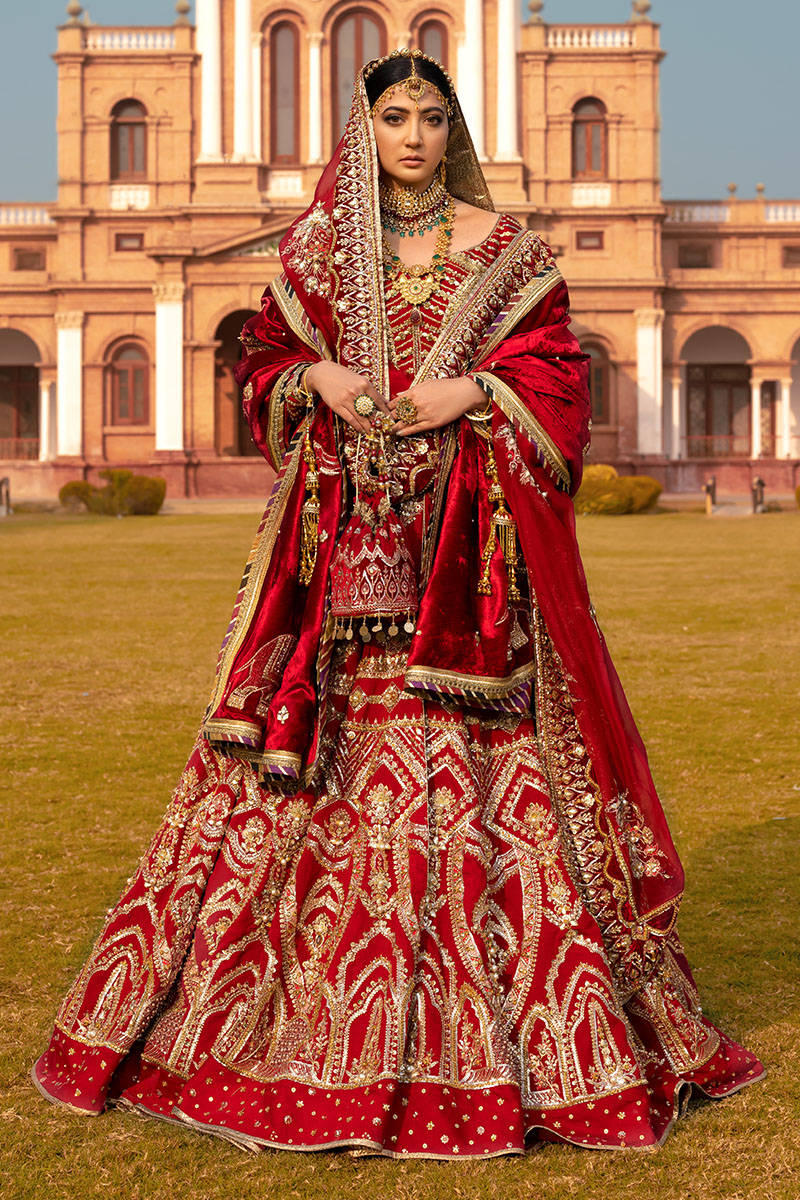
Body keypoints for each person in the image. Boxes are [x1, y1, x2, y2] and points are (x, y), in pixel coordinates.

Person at [32, 50, 763, 1158]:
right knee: (312, 775)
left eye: (429, 115)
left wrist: (472, 390)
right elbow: (267, 357)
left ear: (451, 125)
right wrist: (316, 380)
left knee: (493, 778)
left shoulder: (506, 251)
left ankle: (528, 1038)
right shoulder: (318, 248)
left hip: (471, 563)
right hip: (340, 558)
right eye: (392, 115)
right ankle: (286, 1021)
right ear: (363, 126)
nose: (412, 134)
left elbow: (557, 376)